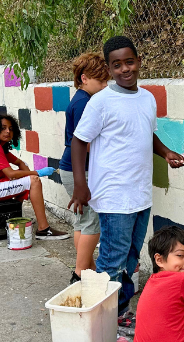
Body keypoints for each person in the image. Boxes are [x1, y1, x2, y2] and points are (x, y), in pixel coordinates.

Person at [68, 35, 184, 319]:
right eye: (117, 64)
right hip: (113, 195)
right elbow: (78, 141)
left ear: (139, 62)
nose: (125, 69)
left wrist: (166, 152)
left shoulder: (146, 99)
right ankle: (104, 319)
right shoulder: (101, 102)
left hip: (140, 193)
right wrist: (81, 186)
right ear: (109, 69)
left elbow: (146, 132)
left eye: (129, 62)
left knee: (131, 258)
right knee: (112, 260)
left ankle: (119, 311)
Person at [0, 113, 68, 240]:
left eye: (10, 128)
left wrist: (27, 180)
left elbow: (20, 163)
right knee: (34, 181)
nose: (8, 131)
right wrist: (36, 174)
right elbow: (10, 173)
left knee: (29, 181)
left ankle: (13, 217)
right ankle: (43, 229)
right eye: (3, 128)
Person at [59, 53, 110, 284]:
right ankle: (79, 275)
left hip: (72, 169)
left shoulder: (79, 99)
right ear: (84, 78)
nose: (105, 86)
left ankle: (89, 271)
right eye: (101, 81)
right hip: (82, 172)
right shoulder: (84, 103)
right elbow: (85, 143)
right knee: (92, 223)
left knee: (82, 222)